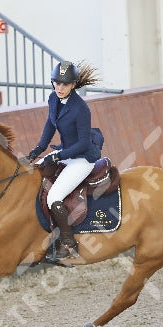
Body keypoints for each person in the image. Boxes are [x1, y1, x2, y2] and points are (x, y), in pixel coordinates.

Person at [26, 60, 101, 260]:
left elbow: (84, 143)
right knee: (35, 177)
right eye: (56, 83)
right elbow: (50, 125)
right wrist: (37, 150)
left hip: (81, 159)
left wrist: (58, 156)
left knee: (53, 197)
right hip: (65, 153)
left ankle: (68, 243)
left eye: (64, 84)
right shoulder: (53, 98)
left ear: (73, 85)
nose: (59, 88)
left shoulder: (81, 109)